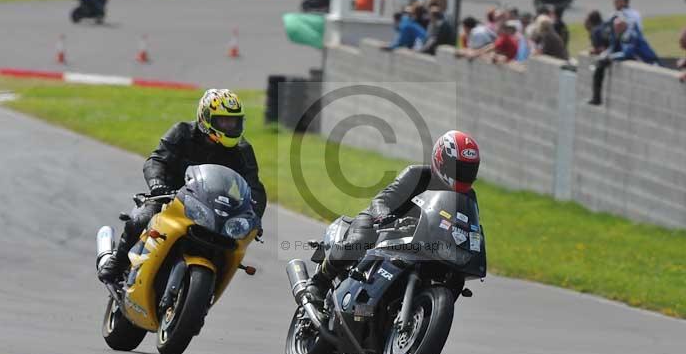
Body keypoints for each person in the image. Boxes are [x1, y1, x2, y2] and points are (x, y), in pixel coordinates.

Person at [98, 89, 267, 283]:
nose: (230, 126)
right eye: (223, 121)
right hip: (170, 199)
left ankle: (204, 297)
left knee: (231, 248)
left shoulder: (242, 150)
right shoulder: (183, 132)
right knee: (140, 219)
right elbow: (157, 160)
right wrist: (157, 185)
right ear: (205, 118)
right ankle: (117, 264)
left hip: (213, 208)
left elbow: (254, 187)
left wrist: (254, 216)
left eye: (234, 121)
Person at [304, 131, 481, 303]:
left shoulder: (468, 197)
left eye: (469, 170)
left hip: (422, 242)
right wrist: (383, 216)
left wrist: (474, 243)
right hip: (384, 224)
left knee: (455, 275)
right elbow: (382, 200)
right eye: (459, 169)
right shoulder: (417, 175)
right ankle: (319, 282)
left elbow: (468, 225)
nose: (464, 175)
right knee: (358, 240)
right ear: (441, 160)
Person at [589, 18, 659, 106]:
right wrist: (604, 55)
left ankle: (597, 98)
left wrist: (610, 57)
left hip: (650, 63)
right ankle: (596, 97)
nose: (616, 30)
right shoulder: (618, 34)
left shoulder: (629, 35)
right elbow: (612, 48)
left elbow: (627, 54)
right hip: (641, 64)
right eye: (615, 27)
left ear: (624, 26)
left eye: (618, 27)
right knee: (600, 66)